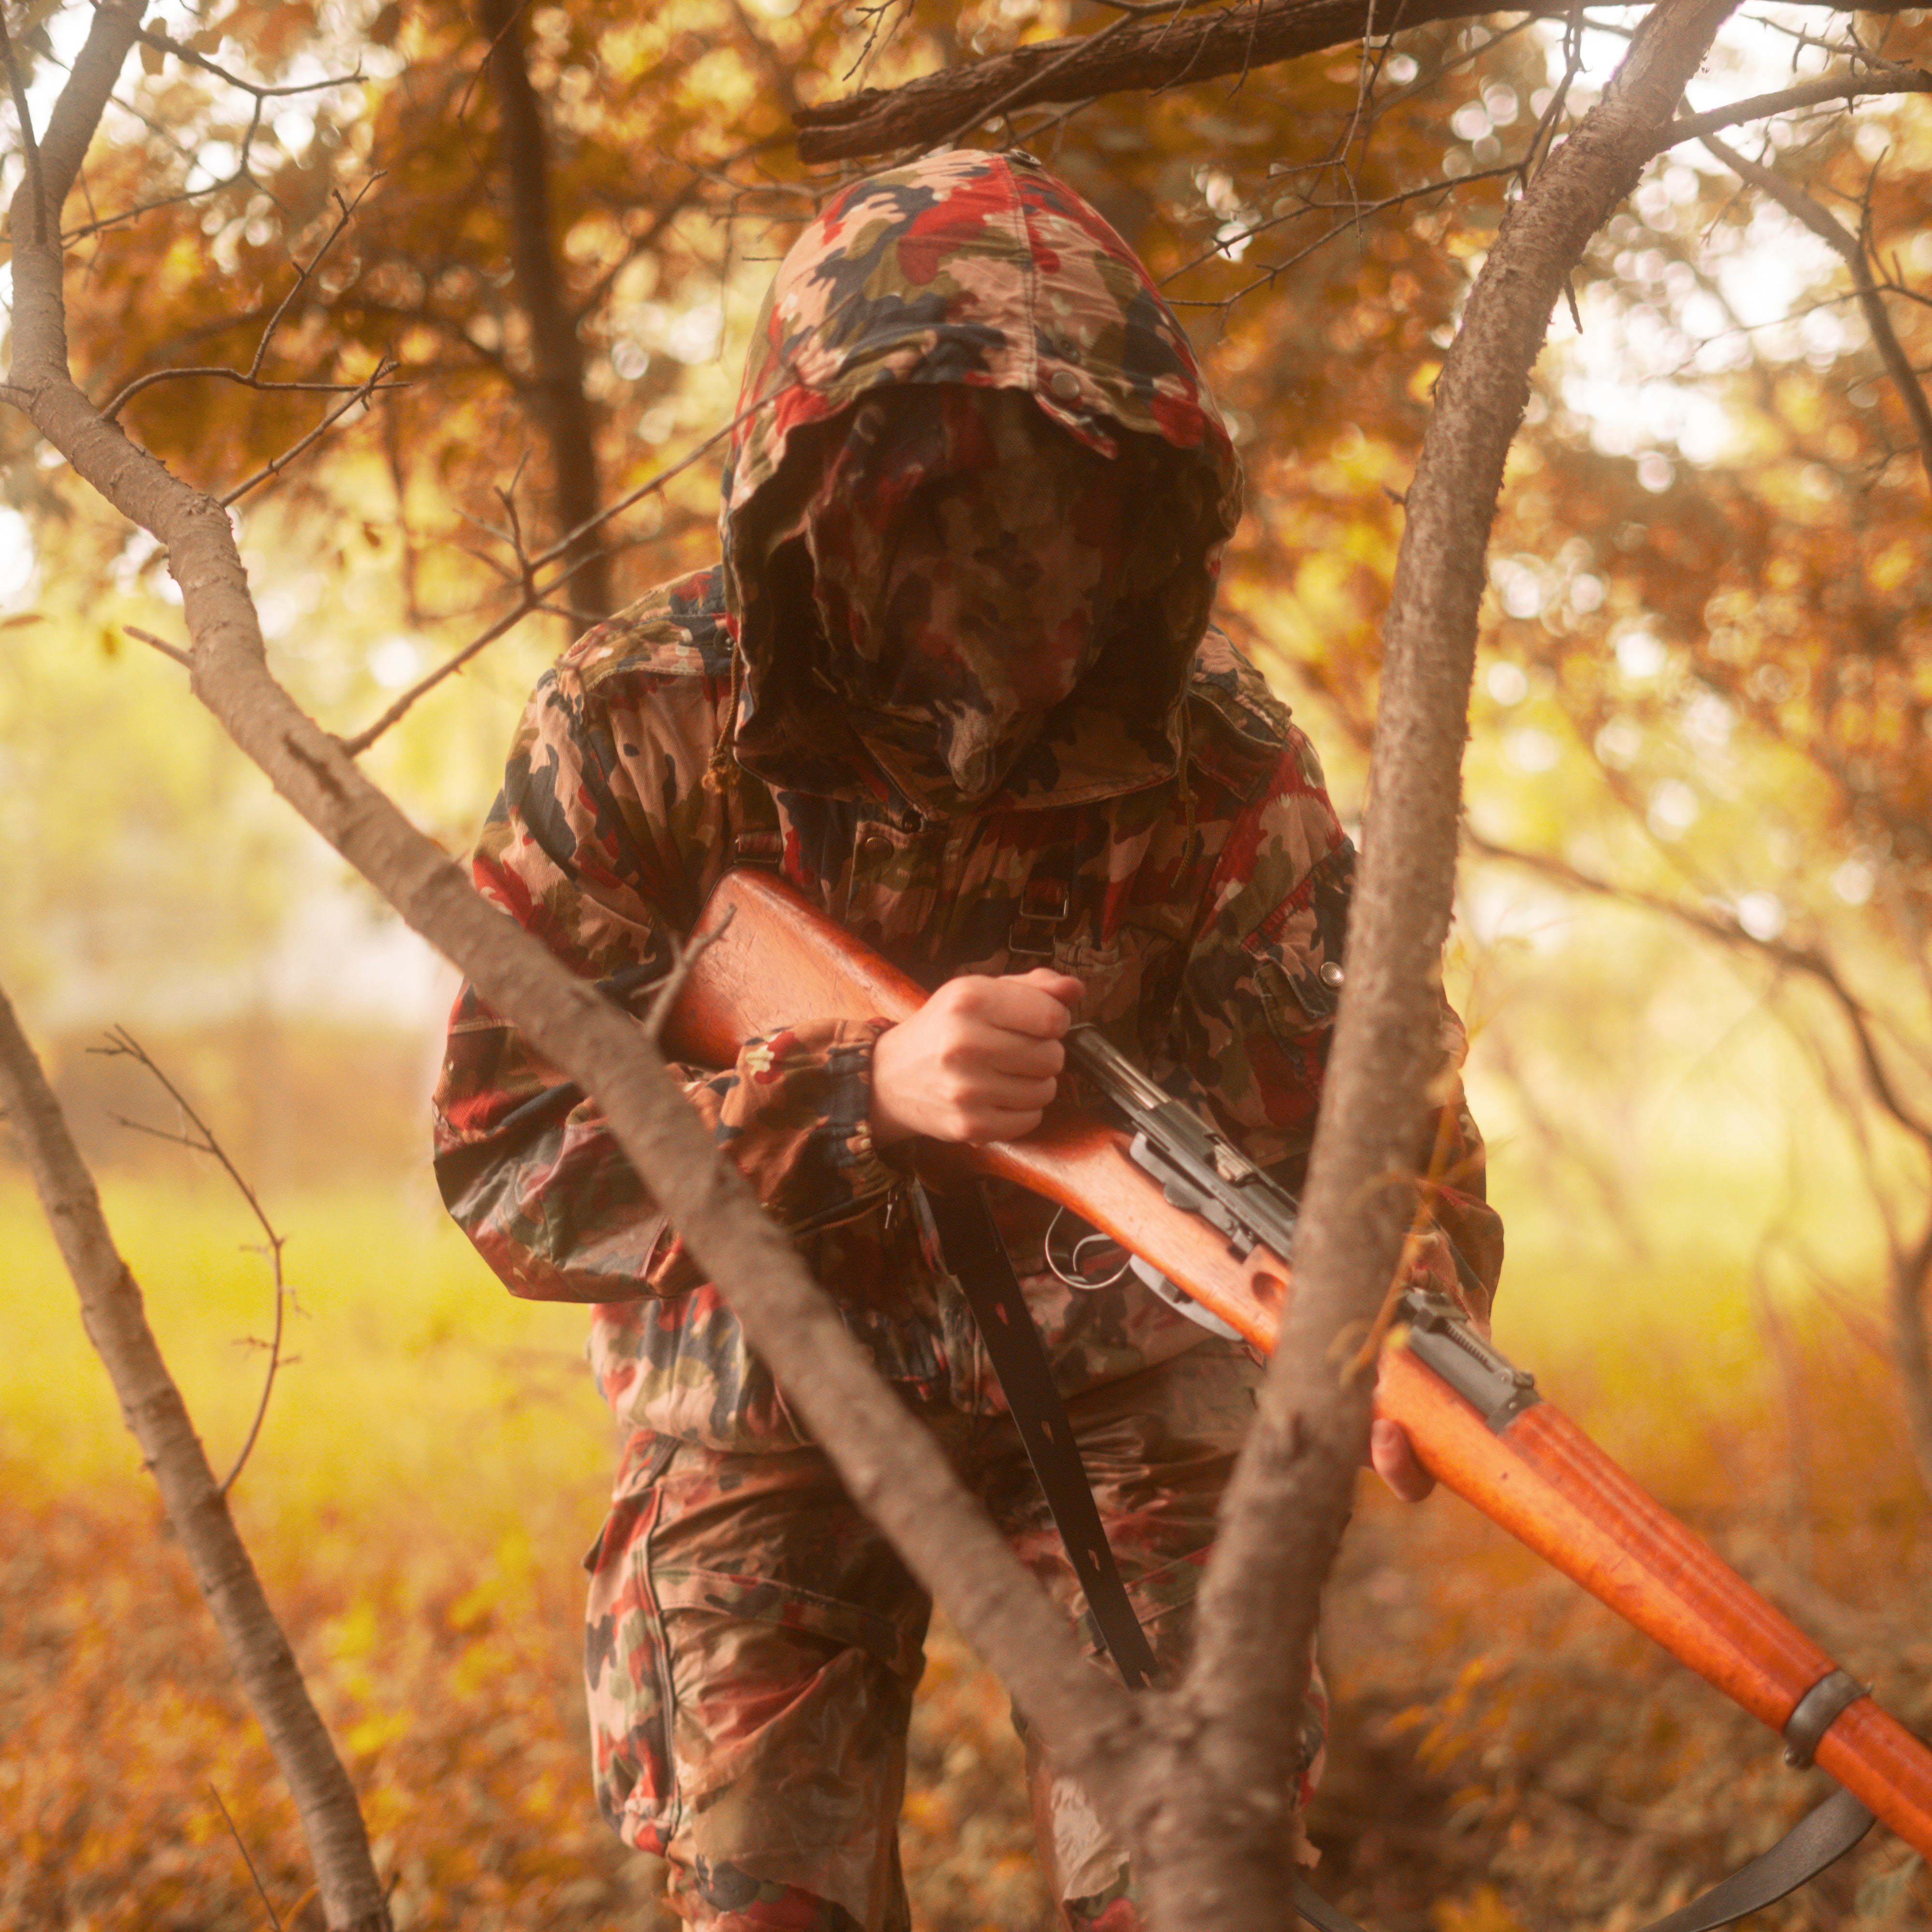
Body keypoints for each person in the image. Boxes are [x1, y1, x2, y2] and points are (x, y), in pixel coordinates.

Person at [432, 148, 1503, 1932]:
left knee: (1194, 1889)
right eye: (932, 497)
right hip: (765, 1399)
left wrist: (1418, 1313)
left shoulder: (1222, 757)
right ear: (819, 491)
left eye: (1059, 499)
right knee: (767, 1900)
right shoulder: (642, 723)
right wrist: (861, 1095)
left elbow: (1376, 1097)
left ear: (1140, 498)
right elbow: (506, 1155)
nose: (1006, 555)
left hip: (1114, 1394)